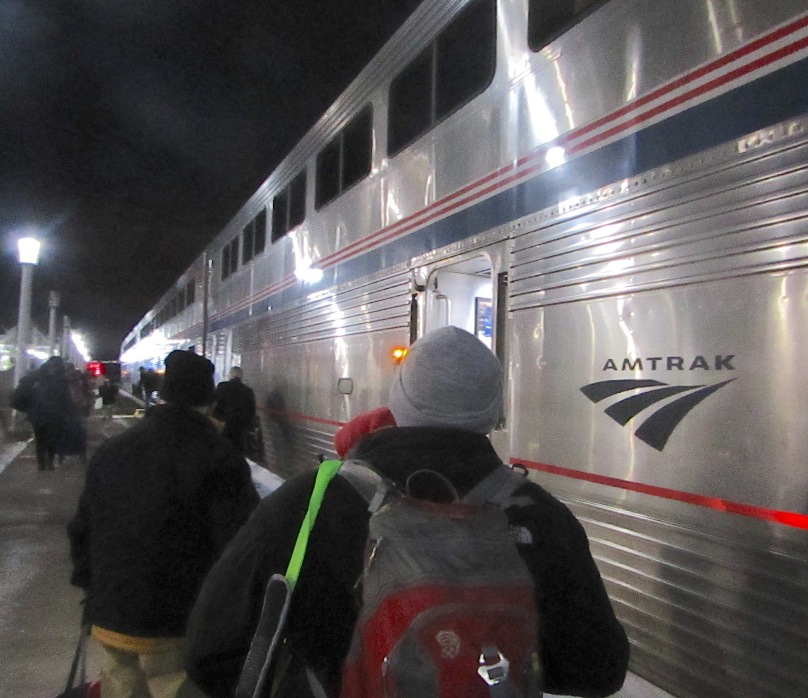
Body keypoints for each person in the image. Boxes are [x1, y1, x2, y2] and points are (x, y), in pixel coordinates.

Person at [184, 326, 630, 698]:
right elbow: (598, 670)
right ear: (496, 411)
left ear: (397, 400)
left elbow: (209, 651)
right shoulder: (542, 517)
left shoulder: (311, 502)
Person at [68, 349, 260, 698]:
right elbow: (240, 544)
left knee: (120, 689)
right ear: (208, 400)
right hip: (178, 621)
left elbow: (82, 529)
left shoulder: (113, 449)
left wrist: (93, 590)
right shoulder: (219, 456)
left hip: (112, 614)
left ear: (163, 393)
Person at [11, 356, 76, 471]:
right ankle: (46, 463)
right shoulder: (60, 380)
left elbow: (66, 399)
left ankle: (44, 463)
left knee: (42, 439)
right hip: (50, 415)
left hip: (41, 415)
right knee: (47, 439)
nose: (53, 369)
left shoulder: (37, 377)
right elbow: (66, 399)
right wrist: (70, 414)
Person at [212, 367, 257, 455]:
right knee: (238, 451)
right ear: (241, 376)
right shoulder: (248, 391)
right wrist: (250, 427)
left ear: (230, 375)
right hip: (240, 428)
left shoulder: (222, 387)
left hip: (223, 424)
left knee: (222, 450)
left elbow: (215, 404)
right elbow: (251, 410)